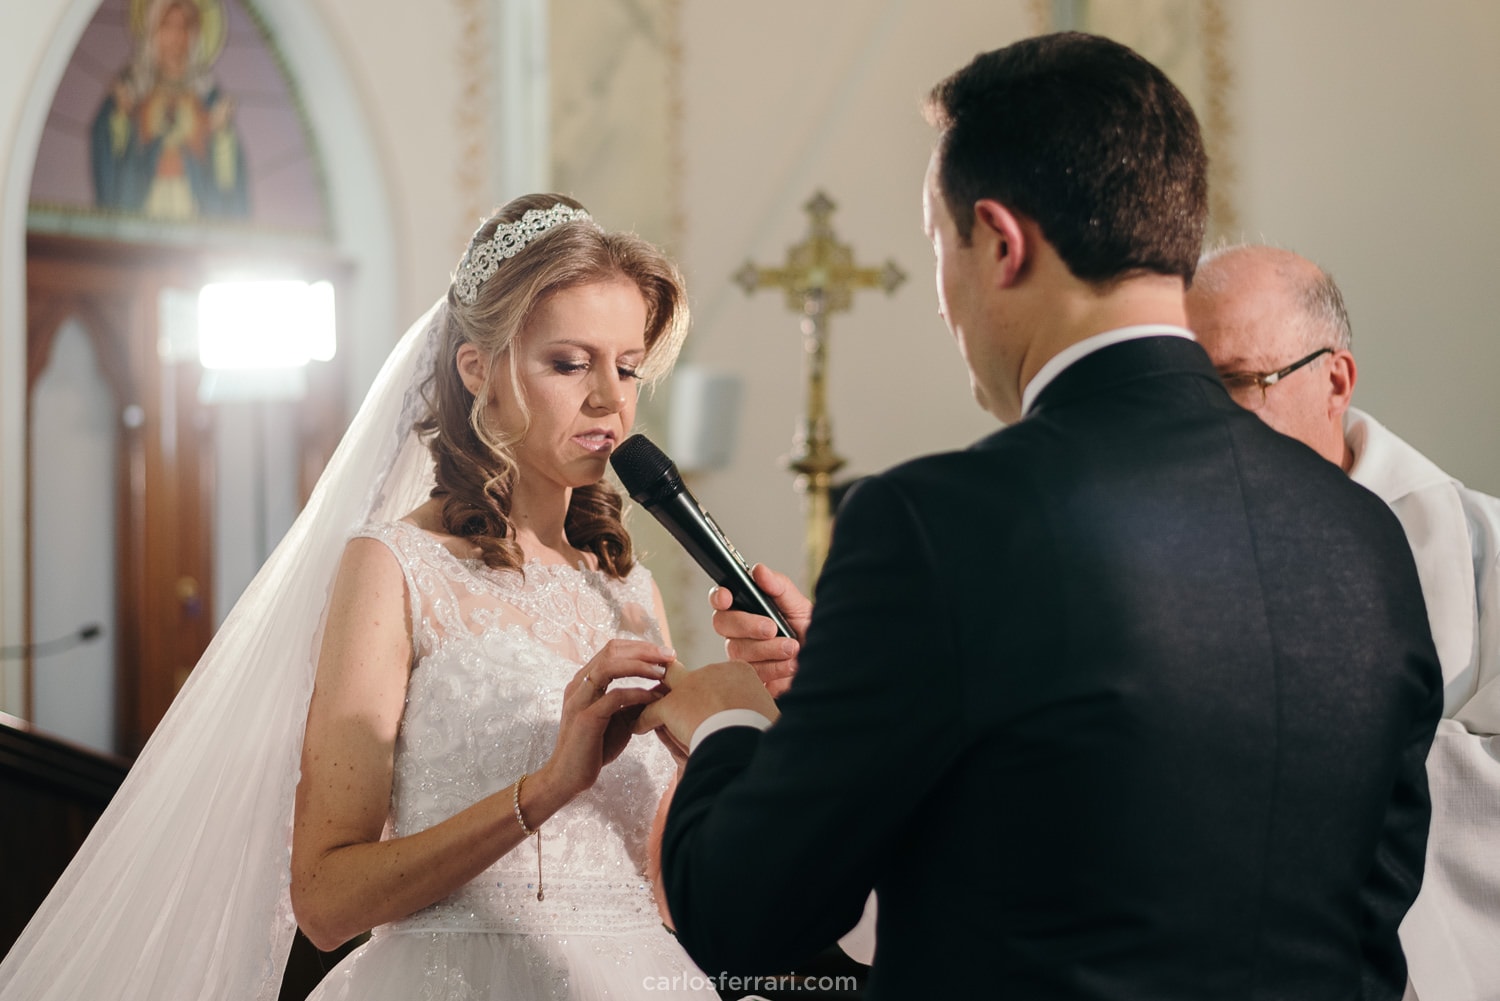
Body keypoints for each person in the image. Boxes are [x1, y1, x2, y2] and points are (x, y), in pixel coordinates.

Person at [636, 32, 1444, 1000]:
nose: (945, 303)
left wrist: (729, 721)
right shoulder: (1360, 531)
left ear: (1000, 242)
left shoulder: (938, 522)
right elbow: (1376, 911)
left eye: (940, 250)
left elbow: (744, 913)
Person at [0, 194, 717, 1000]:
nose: (611, 399)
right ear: (478, 369)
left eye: (628, 366)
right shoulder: (396, 567)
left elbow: (665, 879)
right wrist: (547, 786)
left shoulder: (628, 591)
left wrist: (759, 720)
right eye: (570, 363)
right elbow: (325, 901)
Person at [1185, 243, 1500, 1001]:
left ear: (1335, 380)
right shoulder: (1148, 553)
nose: (1201, 420)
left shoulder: (1481, 548)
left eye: (1238, 382)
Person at [91, 0, 249, 219]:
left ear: (194, 37)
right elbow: (110, 160)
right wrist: (121, 117)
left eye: (184, 27)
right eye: (167, 25)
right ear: (152, 33)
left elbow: (227, 179)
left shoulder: (207, 97)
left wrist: (221, 133)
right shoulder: (133, 93)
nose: (176, 37)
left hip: (195, 210)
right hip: (143, 210)